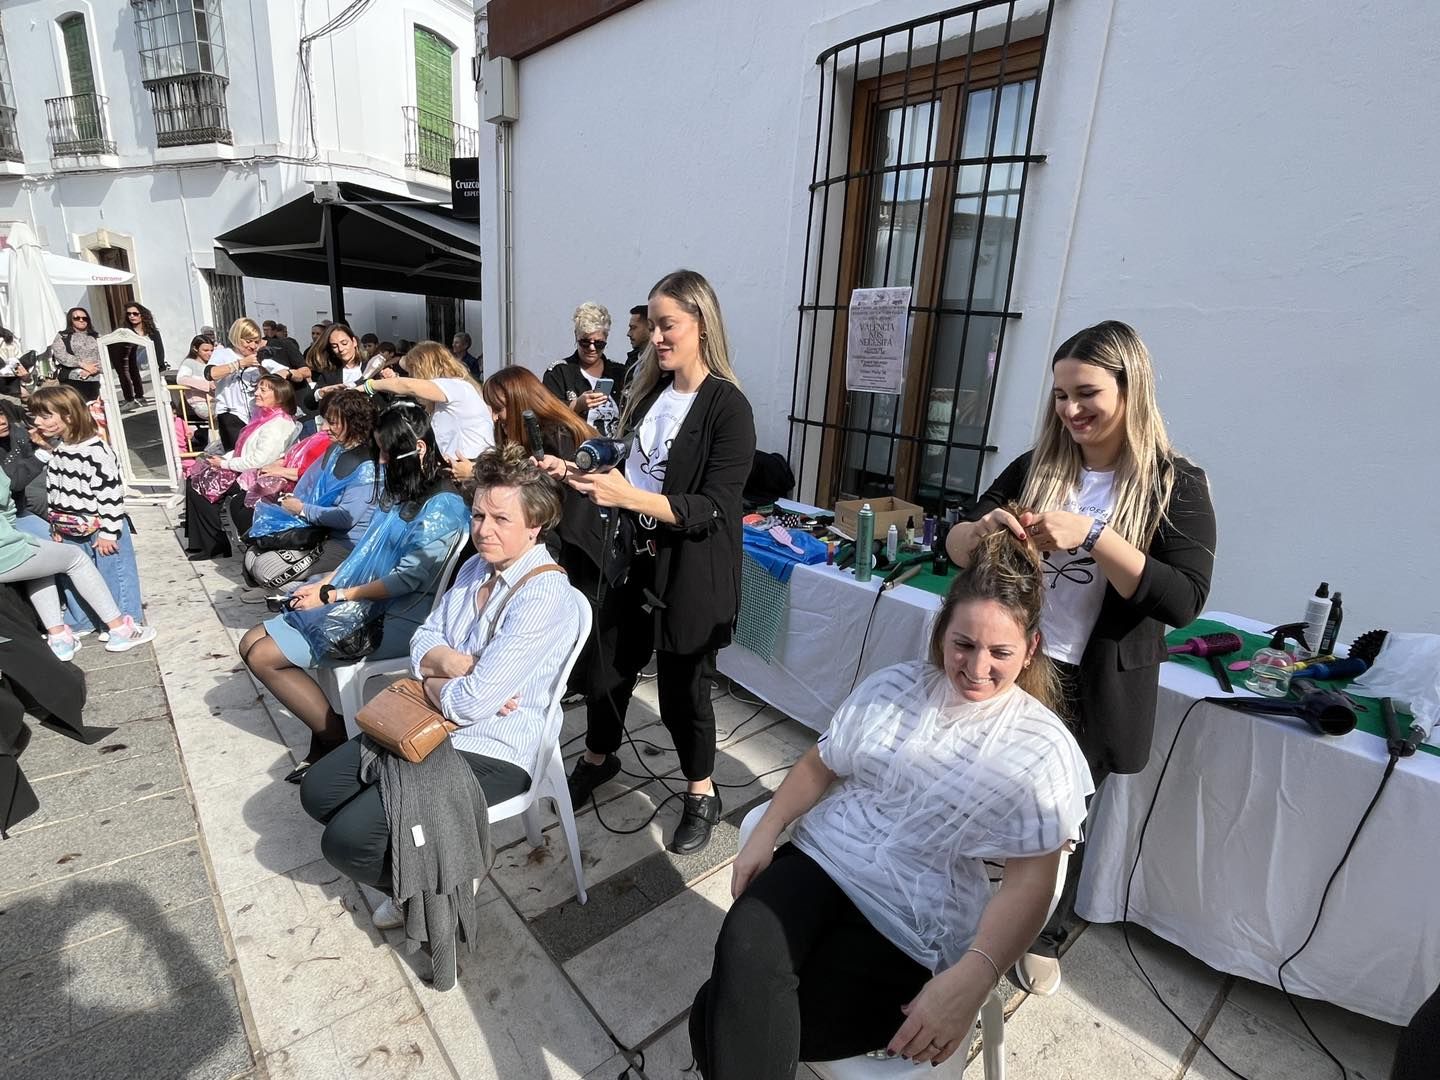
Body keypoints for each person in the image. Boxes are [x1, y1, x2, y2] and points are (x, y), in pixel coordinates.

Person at [689, 530, 1091, 1079]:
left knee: (715, 1013)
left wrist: (975, 978)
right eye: (963, 644)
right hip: (826, 859)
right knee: (745, 945)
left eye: (1000, 652)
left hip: (915, 914)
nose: (977, 668)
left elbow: (1032, 884)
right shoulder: (896, 687)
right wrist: (767, 830)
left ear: (1032, 649)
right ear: (940, 634)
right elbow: (819, 764)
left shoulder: (1039, 747)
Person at [944, 319, 1216, 994]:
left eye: (1086, 393)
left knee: (1061, 821)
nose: (1070, 410)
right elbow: (950, 544)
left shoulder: (1173, 484)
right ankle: (968, 908)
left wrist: (1094, 535)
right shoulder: (1039, 465)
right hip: (1015, 667)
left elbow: (1183, 599)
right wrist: (983, 530)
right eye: (1061, 395)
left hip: (1090, 684)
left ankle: (1042, 934)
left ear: (1132, 388)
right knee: (984, 790)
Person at [299, 446, 580, 938]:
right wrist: (455, 665)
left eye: (500, 518)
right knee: (319, 792)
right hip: (432, 725)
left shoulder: (543, 594)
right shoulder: (476, 569)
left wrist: (435, 679)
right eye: (477, 514)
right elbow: (423, 641)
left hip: (496, 746)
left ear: (534, 525)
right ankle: (430, 872)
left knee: (347, 841)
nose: (483, 529)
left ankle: (435, 889)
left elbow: (472, 704)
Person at [561, 269, 757, 855]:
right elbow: (627, 462)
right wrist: (577, 473)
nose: (657, 336)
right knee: (608, 669)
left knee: (682, 691)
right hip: (632, 561)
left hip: (691, 572)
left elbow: (715, 508)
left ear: (702, 325)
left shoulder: (728, 407)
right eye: (654, 324)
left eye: (668, 324)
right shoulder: (649, 394)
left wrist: (630, 498)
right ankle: (599, 757)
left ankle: (701, 791)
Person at [238, 402, 468, 777]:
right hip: (365, 600)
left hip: (401, 617)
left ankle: (335, 741)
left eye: (385, 452)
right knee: (250, 642)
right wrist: (325, 583)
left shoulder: (443, 505)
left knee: (263, 656)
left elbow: (409, 580)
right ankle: (330, 730)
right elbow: (363, 553)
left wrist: (335, 595)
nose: (379, 461)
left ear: (419, 449)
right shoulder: (402, 492)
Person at [28, 385, 160, 636]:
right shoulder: (56, 449)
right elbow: (54, 490)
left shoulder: (96, 451)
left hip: (99, 525)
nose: (38, 422)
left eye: (46, 416)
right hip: (68, 524)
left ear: (68, 415)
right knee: (73, 578)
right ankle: (85, 620)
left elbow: (110, 493)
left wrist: (110, 531)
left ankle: (125, 621)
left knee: (115, 574)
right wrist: (55, 526)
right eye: (36, 416)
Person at [0, 466, 156, 660]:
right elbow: (6, 502)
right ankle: (120, 629)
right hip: (5, 551)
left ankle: (59, 638)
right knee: (76, 559)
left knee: (41, 564)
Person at [242, 388, 379, 557]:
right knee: (253, 554)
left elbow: (345, 517)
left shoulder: (367, 466)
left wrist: (302, 509)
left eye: (333, 423)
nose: (324, 428)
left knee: (267, 568)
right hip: (321, 531)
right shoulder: (336, 450)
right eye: (325, 421)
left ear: (354, 423)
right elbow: (310, 485)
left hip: (348, 543)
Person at [182, 375, 298, 559]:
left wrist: (224, 464)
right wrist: (223, 460)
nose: (257, 393)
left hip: (255, 476)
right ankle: (207, 543)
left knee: (200, 486)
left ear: (280, 396)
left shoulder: (277, 424)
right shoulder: (264, 418)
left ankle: (213, 545)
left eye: (263, 390)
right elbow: (243, 449)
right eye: (258, 388)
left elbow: (259, 460)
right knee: (195, 478)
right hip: (243, 468)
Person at [351, 340, 494, 462]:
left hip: (469, 464)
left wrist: (370, 386)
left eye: (413, 372)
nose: (413, 377)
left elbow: (408, 386)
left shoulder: (455, 386)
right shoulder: (452, 391)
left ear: (423, 368)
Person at [544, 302, 626, 437]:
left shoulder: (620, 372)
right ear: (576, 336)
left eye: (599, 343)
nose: (592, 348)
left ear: (606, 339)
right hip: (575, 454)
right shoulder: (559, 372)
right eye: (585, 342)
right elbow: (545, 413)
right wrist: (576, 405)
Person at [207, 318, 267, 450]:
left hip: (255, 413)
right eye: (248, 341)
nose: (252, 346)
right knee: (236, 454)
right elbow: (210, 373)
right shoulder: (223, 354)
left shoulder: (258, 357)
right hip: (231, 413)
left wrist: (264, 369)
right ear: (237, 337)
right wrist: (240, 364)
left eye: (256, 342)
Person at [0, 399, 46, 516]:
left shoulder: (15, 433)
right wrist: (44, 452)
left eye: (1, 414)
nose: (2, 422)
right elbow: (12, 483)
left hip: (19, 506)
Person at [173, 335, 217, 451]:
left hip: (214, 400)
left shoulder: (212, 363)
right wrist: (206, 385)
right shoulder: (189, 363)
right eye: (206, 350)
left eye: (212, 350)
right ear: (196, 349)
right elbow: (181, 379)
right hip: (201, 403)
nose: (209, 353)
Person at [51, 308, 103, 402]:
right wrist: (83, 365)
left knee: (97, 409)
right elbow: (61, 355)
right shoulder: (63, 336)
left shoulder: (97, 336)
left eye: (84, 318)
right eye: (77, 318)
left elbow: (104, 356)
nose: (81, 320)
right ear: (71, 320)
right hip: (72, 379)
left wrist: (92, 370)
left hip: (96, 379)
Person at [119, 302, 164, 405]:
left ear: (142, 315)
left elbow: (159, 349)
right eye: (129, 314)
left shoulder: (152, 332)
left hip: (151, 366)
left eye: (135, 313)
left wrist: (160, 365)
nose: (131, 316)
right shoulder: (125, 333)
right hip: (133, 367)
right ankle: (138, 397)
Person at [0, 326, 28, 399]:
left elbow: (13, 362)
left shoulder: (5, 343)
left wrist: (23, 377)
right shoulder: (8, 340)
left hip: (9, 382)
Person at [623, 304, 649, 381]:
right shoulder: (632, 359)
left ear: (650, 327)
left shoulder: (662, 362)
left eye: (633, 328)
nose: (628, 333)